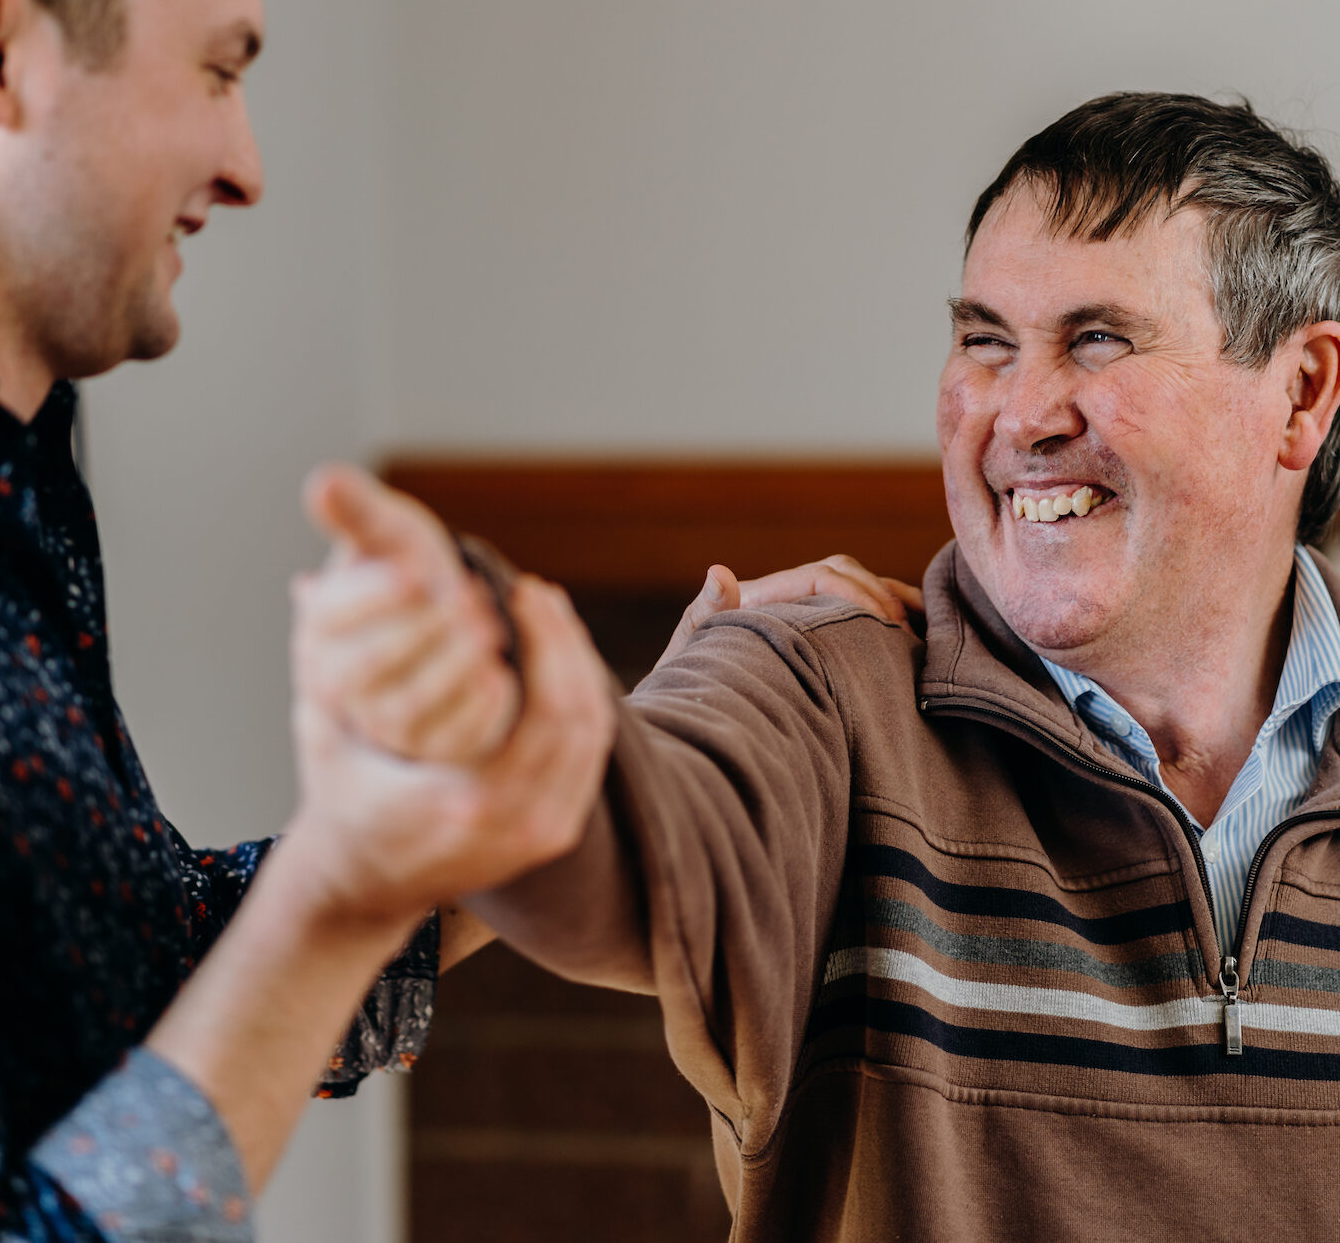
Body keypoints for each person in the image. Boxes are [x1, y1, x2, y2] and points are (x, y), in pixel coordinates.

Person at [296, 92, 1340, 1239]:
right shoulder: (814, 690)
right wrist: (506, 739)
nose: (1018, 412)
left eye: (1095, 339)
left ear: (1297, 393)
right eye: (983, 339)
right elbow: (610, 870)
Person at [0, 0, 638, 1237]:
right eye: (218, 71)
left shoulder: (11, 491)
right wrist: (331, 894)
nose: (244, 165)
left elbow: (151, 973)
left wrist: (527, 779)